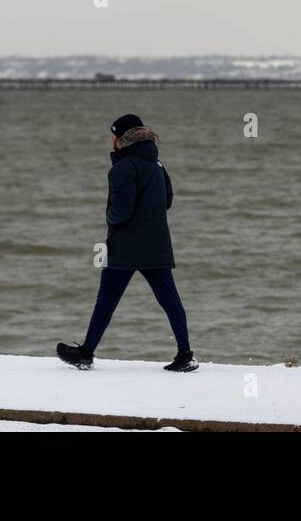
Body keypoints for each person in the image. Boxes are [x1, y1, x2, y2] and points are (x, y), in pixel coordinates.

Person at [57, 114, 198, 373]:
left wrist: (109, 216)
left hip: (125, 245)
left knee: (107, 299)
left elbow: (121, 211)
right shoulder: (157, 164)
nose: (110, 140)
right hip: (157, 244)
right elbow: (167, 200)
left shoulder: (123, 168)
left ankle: (86, 353)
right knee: (169, 298)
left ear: (121, 138)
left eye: (113, 135)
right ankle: (185, 353)